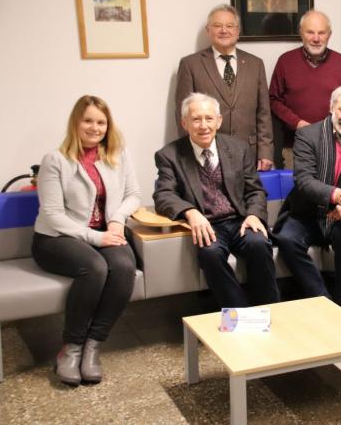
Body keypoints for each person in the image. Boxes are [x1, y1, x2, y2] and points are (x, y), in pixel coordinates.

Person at [32, 95, 141, 386]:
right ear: (76, 123)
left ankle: (94, 344)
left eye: (101, 122)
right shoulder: (55, 160)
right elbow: (53, 215)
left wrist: (117, 220)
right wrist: (97, 237)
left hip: (106, 232)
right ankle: (71, 348)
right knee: (95, 268)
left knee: (123, 267)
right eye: (88, 120)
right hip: (56, 238)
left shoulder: (119, 154)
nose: (95, 127)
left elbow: (134, 195)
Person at [154, 92, 280, 308]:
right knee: (210, 253)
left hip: (240, 219)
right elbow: (163, 194)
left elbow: (255, 190)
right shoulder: (169, 155)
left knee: (259, 243)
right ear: (185, 123)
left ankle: (270, 310)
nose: (203, 125)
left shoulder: (238, 148)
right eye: (196, 119)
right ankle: (238, 315)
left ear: (218, 121)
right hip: (208, 225)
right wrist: (191, 212)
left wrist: (253, 214)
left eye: (209, 118)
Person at [272, 83, 341, 313]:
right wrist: (335, 195)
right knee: (287, 239)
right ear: (331, 107)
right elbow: (303, 180)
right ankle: (325, 303)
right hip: (307, 213)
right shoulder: (307, 135)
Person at [176, 4, 274, 171]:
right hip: (207, 153)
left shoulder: (255, 64)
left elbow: (263, 112)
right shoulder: (190, 65)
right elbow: (184, 115)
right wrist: (192, 152)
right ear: (208, 30)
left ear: (238, 31)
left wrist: (265, 151)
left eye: (230, 26)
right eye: (217, 25)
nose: (224, 30)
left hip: (249, 153)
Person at [269, 10, 341, 169]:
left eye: (321, 33)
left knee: (331, 192)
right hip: (294, 146)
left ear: (329, 35)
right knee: (298, 191)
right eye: (310, 32)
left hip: (335, 146)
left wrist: (331, 126)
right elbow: (273, 99)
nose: (316, 38)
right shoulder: (285, 61)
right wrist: (297, 123)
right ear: (301, 33)